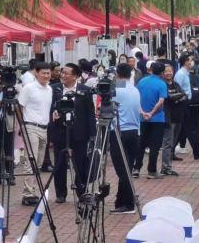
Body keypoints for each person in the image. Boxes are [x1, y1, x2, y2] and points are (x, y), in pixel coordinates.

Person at [50, 63, 96, 203]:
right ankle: (60, 193)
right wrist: (54, 113)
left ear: (75, 76)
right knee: (59, 164)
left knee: (80, 163)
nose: (62, 75)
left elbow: (90, 112)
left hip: (79, 133)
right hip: (60, 132)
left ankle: (81, 192)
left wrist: (92, 133)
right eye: (62, 72)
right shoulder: (54, 89)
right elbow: (49, 107)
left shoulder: (85, 91)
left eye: (66, 73)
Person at [107, 63, 141, 214]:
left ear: (116, 75)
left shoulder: (116, 91)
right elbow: (122, 84)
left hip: (118, 131)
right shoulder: (134, 89)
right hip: (133, 132)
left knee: (122, 169)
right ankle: (121, 200)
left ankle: (128, 203)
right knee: (127, 166)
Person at [19, 62, 53, 206]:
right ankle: (27, 194)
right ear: (37, 73)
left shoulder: (49, 89)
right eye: (43, 73)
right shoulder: (29, 88)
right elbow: (19, 106)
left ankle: (33, 190)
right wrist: (23, 125)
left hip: (44, 128)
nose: (46, 76)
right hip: (30, 126)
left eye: (48, 73)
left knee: (39, 162)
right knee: (30, 160)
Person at [133, 62, 167, 179]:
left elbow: (137, 99)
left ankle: (136, 168)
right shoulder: (162, 84)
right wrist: (151, 113)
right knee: (155, 145)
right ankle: (152, 171)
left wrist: (143, 112)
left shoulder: (142, 81)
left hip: (143, 118)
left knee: (141, 144)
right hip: (157, 118)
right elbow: (161, 102)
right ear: (162, 72)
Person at [160, 63, 187, 176]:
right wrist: (177, 97)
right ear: (162, 73)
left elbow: (184, 95)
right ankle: (166, 167)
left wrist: (177, 98)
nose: (168, 73)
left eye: (170, 71)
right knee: (167, 143)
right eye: (166, 71)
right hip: (168, 118)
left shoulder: (175, 84)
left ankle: (169, 165)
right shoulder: (162, 85)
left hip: (178, 117)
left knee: (173, 142)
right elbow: (169, 97)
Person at [173, 55, 193, 155]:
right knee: (182, 124)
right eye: (190, 60)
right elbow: (177, 88)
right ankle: (176, 145)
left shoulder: (186, 73)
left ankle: (181, 145)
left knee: (185, 124)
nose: (192, 62)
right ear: (186, 62)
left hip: (186, 101)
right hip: (182, 102)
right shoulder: (181, 74)